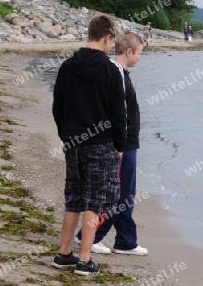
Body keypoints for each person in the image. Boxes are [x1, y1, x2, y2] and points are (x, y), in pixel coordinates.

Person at [51, 15, 126, 276]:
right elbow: (119, 112)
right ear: (107, 38)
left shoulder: (67, 66)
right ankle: (85, 258)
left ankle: (63, 253)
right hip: (101, 142)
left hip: (74, 141)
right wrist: (120, 144)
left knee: (74, 196)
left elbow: (58, 106)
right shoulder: (111, 69)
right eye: (111, 41)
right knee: (94, 200)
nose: (110, 46)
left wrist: (66, 135)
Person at [75, 32, 148, 256]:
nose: (140, 58)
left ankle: (126, 240)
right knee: (120, 194)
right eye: (139, 54)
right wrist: (119, 145)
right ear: (128, 52)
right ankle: (91, 236)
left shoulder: (119, 72)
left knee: (126, 193)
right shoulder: (116, 75)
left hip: (128, 142)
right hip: (122, 144)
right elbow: (118, 114)